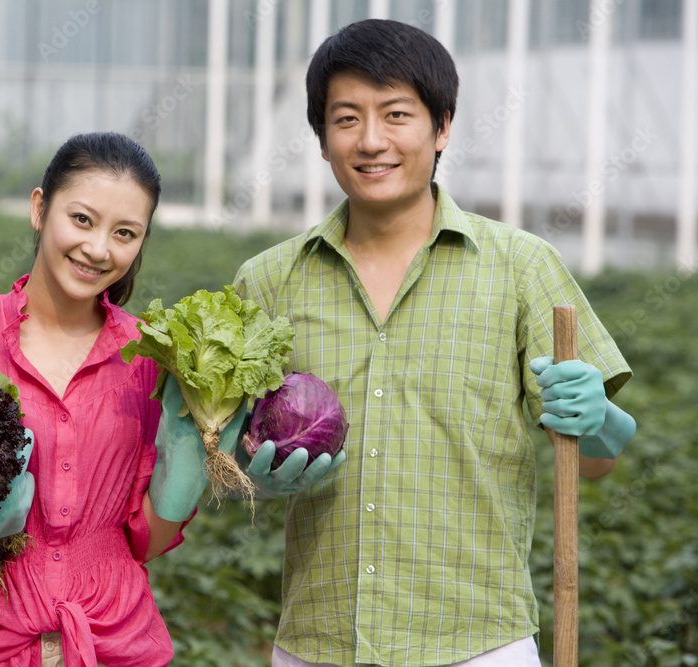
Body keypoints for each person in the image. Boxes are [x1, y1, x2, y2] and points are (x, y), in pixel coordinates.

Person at [232, 19, 637, 667]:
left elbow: (594, 459)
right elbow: (216, 455)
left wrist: (601, 420)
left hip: (480, 644)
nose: (371, 141)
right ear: (321, 137)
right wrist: (243, 473)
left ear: (442, 126)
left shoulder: (522, 267)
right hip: (319, 644)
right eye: (346, 119)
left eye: (396, 114)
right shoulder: (269, 280)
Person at [0, 131, 244, 666]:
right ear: (40, 209)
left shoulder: (152, 358)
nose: (98, 248)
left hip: (116, 646)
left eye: (125, 233)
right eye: (81, 219)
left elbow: (144, 544)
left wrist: (186, 477)